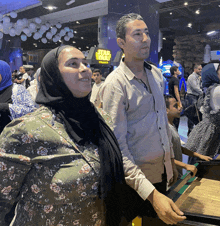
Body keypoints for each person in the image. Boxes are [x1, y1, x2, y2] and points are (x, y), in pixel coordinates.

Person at [0, 46, 142, 226]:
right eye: (73, 64)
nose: (85, 68)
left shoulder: (100, 120)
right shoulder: (25, 131)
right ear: (53, 76)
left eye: (85, 63)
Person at [100, 13, 186, 225]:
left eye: (147, 33)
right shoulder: (115, 84)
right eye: (137, 34)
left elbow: (161, 124)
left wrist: (170, 162)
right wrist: (151, 193)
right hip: (135, 182)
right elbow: (118, 147)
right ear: (121, 42)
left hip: (162, 173)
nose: (145, 39)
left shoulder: (157, 74)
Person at [165, 95, 212, 179]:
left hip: (176, 171)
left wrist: (198, 155)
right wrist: (186, 166)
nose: (180, 108)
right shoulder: (166, 129)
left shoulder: (171, 126)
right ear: (166, 110)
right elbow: (165, 158)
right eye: (176, 106)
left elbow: (178, 148)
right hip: (170, 175)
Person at [186, 62, 220, 164]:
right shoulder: (217, 89)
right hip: (213, 134)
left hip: (206, 131)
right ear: (212, 73)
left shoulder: (210, 89)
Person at [0, 60, 35, 134]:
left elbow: (30, 111)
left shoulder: (18, 90)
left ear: (4, 73)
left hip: (11, 138)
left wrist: (6, 107)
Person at [185, 64, 203, 135]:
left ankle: (195, 130)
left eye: (201, 69)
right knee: (192, 113)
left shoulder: (198, 77)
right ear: (195, 69)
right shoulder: (192, 77)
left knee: (196, 114)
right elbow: (195, 88)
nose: (200, 70)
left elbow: (199, 86)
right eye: (199, 69)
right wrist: (203, 93)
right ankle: (190, 131)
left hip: (196, 97)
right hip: (191, 97)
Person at [168, 66, 182, 130]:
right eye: (178, 70)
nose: (179, 71)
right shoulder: (175, 80)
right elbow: (176, 92)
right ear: (175, 72)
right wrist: (179, 102)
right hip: (175, 101)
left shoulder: (171, 79)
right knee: (176, 118)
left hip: (171, 100)